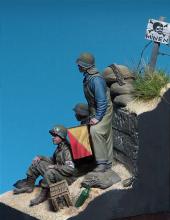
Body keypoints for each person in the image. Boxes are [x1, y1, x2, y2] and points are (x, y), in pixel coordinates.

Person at [13, 125, 76, 206]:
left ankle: (43, 196)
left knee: (50, 172)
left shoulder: (67, 150)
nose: (52, 138)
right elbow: (53, 160)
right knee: (37, 163)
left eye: (55, 136)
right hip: (59, 172)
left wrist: (55, 167)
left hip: (67, 177)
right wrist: (41, 157)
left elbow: (70, 169)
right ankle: (29, 186)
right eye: (53, 135)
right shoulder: (59, 148)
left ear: (62, 137)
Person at [76, 52, 113, 172]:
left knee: (96, 131)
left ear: (85, 66)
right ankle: (85, 164)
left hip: (104, 111)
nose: (78, 66)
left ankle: (102, 163)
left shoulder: (96, 80)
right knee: (81, 132)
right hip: (95, 111)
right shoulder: (88, 78)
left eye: (80, 64)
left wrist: (97, 117)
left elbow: (102, 101)